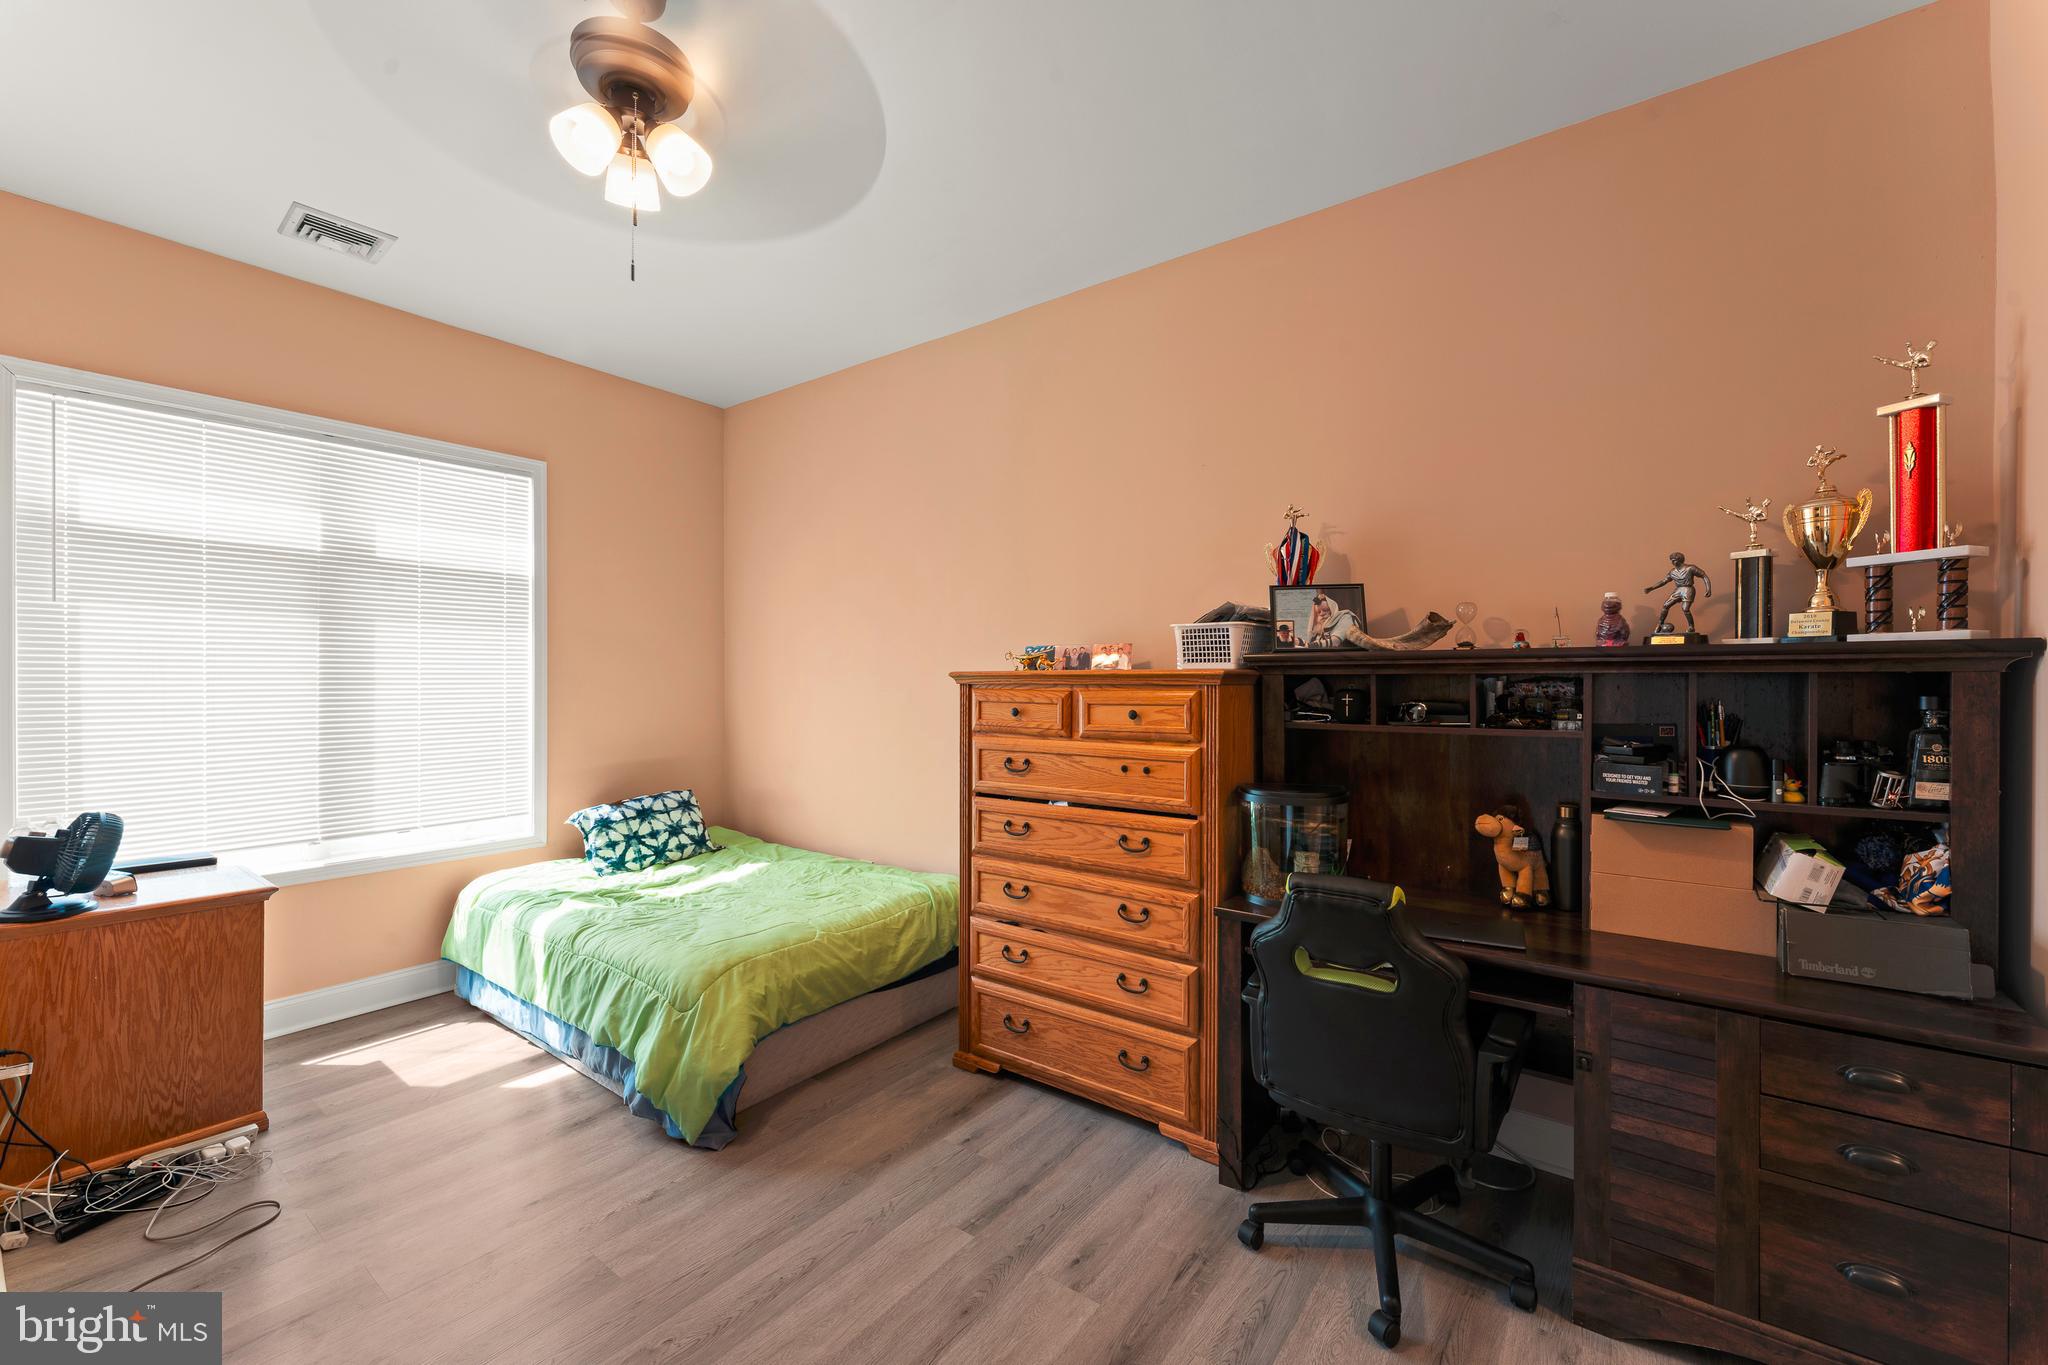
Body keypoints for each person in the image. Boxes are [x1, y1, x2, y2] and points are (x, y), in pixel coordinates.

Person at [1643, 552, 1711, 634]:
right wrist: (1652, 588)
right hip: (1678, 590)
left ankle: (1691, 626)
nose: (1672, 562)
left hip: (1688, 589)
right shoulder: (1672, 572)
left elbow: (1704, 576)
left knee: (1685, 609)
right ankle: (1659, 625)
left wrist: (1708, 589)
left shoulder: (1690, 568)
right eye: (1671, 560)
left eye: (1674, 560)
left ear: (1679, 560)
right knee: (1665, 605)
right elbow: (1664, 581)